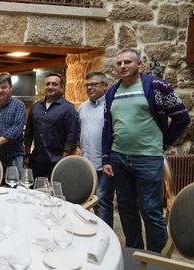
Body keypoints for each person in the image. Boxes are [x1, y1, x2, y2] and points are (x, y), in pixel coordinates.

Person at [102, 48, 190, 252]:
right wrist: (107, 157)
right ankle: (133, 253)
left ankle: (156, 259)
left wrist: (163, 144)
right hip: (119, 158)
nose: (123, 66)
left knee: (150, 211)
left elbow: (182, 117)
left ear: (139, 64)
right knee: (125, 208)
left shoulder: (157, 86)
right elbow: (108, 127)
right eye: (119, 63)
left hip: (148, 159)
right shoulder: (112, 92)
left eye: (128, 62)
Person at [24, 73, 78, 179]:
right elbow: (28, 134)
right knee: (34, 192)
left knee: (54, 193)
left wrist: (62, 163)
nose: (50, 87)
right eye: (48, 84)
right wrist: (26, 157)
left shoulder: (68, 108)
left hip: (56, 162)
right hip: (35, 161)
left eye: (54, 84)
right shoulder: (35, 107)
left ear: (61, 87)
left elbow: (71, 138)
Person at [78, 72, 113, 227]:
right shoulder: (82, 107)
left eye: (94, 84)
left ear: (105, 86)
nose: (90, 87)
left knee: (102, 202)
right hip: (86, 162)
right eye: (87, 85)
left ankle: (105, 237)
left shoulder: (111, 106)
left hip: (104, 164)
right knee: (84, 202)